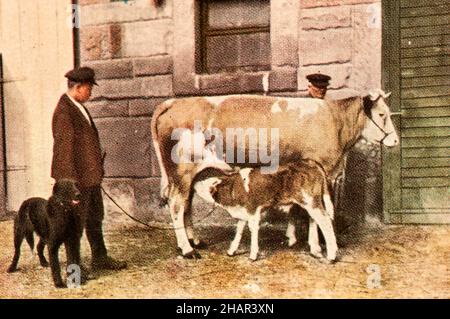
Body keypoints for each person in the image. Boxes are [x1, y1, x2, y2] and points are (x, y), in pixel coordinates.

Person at [51, 67, 127, 271]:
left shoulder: (78, 106)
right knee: (74, 228)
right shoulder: (64, 111)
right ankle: (74, 272)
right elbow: (63, 150)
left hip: (90, 179)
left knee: (95, 219)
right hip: (76, 183)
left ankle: (100, 258)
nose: (91, 92)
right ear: (78, 87)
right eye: (89, 88)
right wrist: (69, 186)